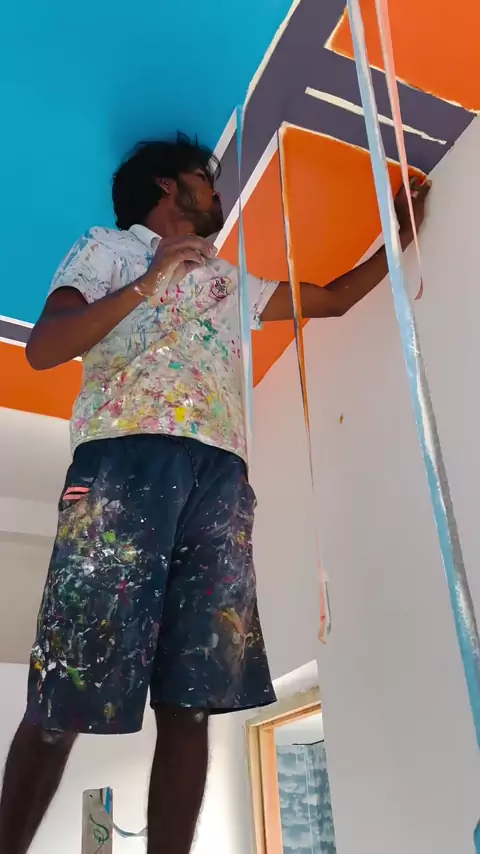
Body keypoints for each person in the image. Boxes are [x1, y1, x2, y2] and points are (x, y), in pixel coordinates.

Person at [0, 132, 430, 854]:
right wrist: (150, 280)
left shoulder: (230, 280)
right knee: (64, 695)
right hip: (123, 464)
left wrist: (397, 231)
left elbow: (330, 299)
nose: (218, 191)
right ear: (168, 186)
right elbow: (44, 348)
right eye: (206, 177)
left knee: (192, 703)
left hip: (221, 480)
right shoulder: (108, 249)